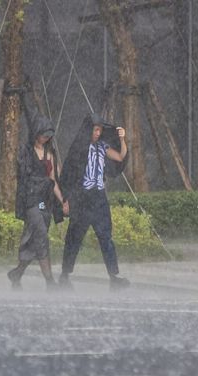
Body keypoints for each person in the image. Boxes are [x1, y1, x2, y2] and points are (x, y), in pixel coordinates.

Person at [58, 113, 130, 290]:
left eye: (99, 130)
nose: (97, 133)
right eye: (95, 129)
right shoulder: (78, 149)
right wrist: (65, 200)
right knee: (74, 237)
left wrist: (122, 140)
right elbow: (67, 175)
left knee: (106, 237)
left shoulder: (102, 147)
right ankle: (65, 275)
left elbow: (120, 157)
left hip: (99, 198)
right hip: (81, 198)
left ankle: (114, 276)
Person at [7, 113, 68, 291]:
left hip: (45, 202)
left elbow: (53, 180)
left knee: (34, 241)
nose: (46, 137)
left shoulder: (51, 154)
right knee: (41, 236)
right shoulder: (26, 153)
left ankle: (17, 273)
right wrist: (41, 184)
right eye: (43, 134)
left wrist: (63, 200)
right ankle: (50, 282)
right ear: (36, 133)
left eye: (49, 135)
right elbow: (25, 179)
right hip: (32, 201)